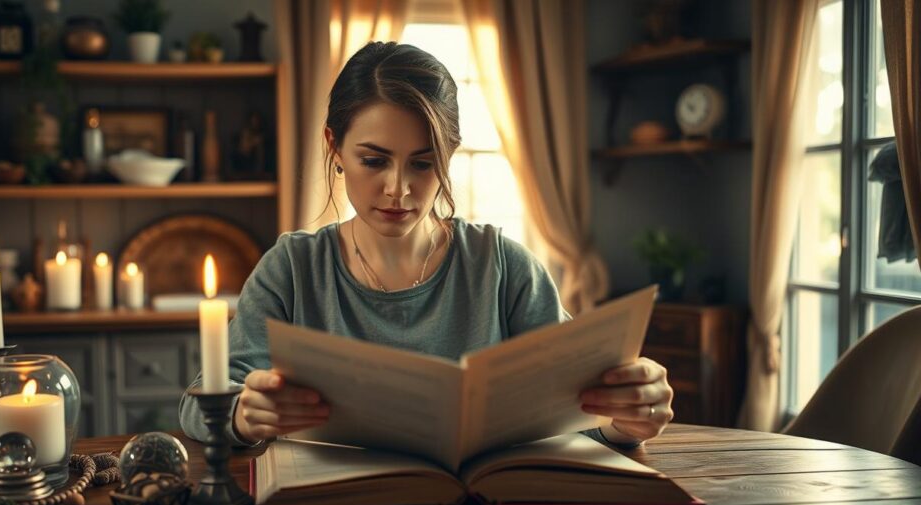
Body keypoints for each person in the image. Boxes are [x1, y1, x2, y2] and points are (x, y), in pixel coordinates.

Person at [180, 41, 674, 450]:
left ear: (449, 154)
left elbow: (582, 408)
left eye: (423, 162)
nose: (399, 189)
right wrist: (244, 416)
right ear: (334, 148)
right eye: (374, 161)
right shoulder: (292, 268)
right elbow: (199, 403)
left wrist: (625, 417)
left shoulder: (501, 266)